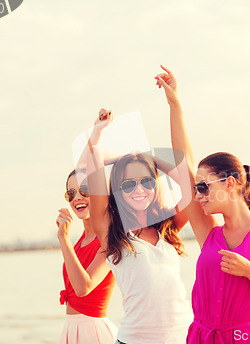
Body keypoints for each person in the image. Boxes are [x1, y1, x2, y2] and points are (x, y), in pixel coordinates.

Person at [155, 65, 250, 343]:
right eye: (196, 188)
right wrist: (174, 103)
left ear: (230, 183)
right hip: (201, 337)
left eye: (204, 186)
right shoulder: (209, 232)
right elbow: (182, 164)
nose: (198, 194)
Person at [80, 108, 193, 344]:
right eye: (128, 184)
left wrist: (148, 159)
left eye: (147, 181)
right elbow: (92, 162)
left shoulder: (168, 226)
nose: (140, 190)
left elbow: (190, 185)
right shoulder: (110, 230)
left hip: (184, 337)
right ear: (117, 189)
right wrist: (102, 135)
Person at [56, 170, 117, 344]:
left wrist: (63, 238)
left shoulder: (110, 239)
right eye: (71, 193)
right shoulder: (81, 241)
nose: (77, 198)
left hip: (93, 333)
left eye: (85, 190)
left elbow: (83, 287)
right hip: (71, 328)